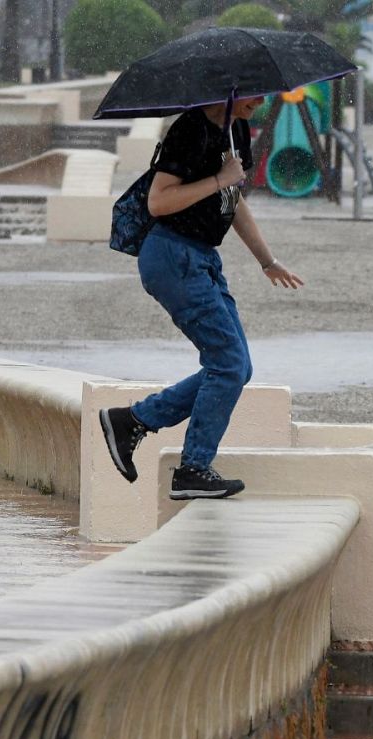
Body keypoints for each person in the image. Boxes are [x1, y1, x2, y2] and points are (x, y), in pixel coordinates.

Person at [99, 96, 304, 500]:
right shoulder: (190, 130)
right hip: (172, 255)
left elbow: (234, 201)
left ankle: (133, 421)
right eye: (254, 93)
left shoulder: (236, 129)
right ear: (230, 91)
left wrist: (268, 261)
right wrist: (218, 178)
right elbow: (159, 201)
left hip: (201, 256)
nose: (261, 101)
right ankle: (192, 468)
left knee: (237, 367)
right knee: (227, 364)